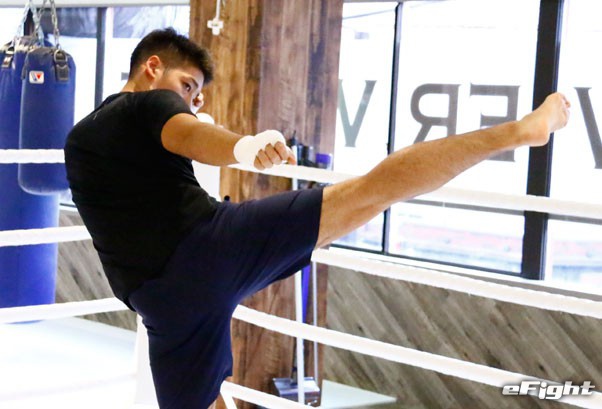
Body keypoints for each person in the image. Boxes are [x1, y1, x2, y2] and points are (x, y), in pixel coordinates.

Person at [64, 28, 570, 409]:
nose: (190, 103)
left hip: (161, 305)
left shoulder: (82, 137)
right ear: (152, 67)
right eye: (187, 86)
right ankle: (518, 132)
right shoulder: (150, 105)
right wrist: (242, 146)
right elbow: (189, 134)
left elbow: (177, 142)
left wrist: (224, 140)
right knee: (371, 191)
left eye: (196, 96)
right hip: (206, 251)